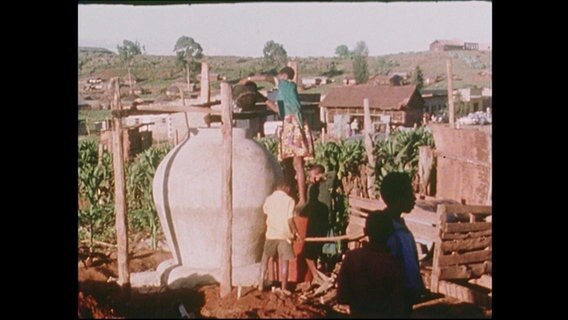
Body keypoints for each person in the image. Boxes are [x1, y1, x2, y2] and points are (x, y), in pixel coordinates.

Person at [239, 67, 314, 208]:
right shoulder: (283, 94)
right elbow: (278, 110)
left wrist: (248, 79)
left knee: (298, 164)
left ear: (284, 75)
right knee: (288, 164)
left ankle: (303, 200)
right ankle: (292, 196)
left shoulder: (287, 85)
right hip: (288, 123)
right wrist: (262, 98)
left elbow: (267, 78)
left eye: (279, 76)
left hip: (294, 124)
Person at [376, 172, 426, 316]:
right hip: (393, 297)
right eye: (409, 193)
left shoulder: (399, 225)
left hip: (404, 295)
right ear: (397, 198)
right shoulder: (385, 227)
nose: (414, 198)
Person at [337, 212, 405, 318]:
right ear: (390, 233)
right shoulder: (393, 263)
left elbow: (342, 297)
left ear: (365, 231)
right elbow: (399, 304)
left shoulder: (352, 258)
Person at [258, 180, 301, 296]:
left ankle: (260, 284)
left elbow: (265, 211)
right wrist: (296, 232)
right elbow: (290, 220)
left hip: (271, 234)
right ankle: (283, 288)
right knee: (284, 262)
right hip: (284, 235)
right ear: (287, 189)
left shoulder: (269, 199)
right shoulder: (290, 200)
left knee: (265, 260)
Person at [299, 165, 332, 287]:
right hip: (313, 222)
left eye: (312, 176)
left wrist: (320, 177)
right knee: (310, 251)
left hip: (320, 222)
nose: (310, 179)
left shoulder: (326, 183)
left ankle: (317, 276)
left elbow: (332, 174)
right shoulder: (311, 188)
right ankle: (316, 276)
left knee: (311, 251)